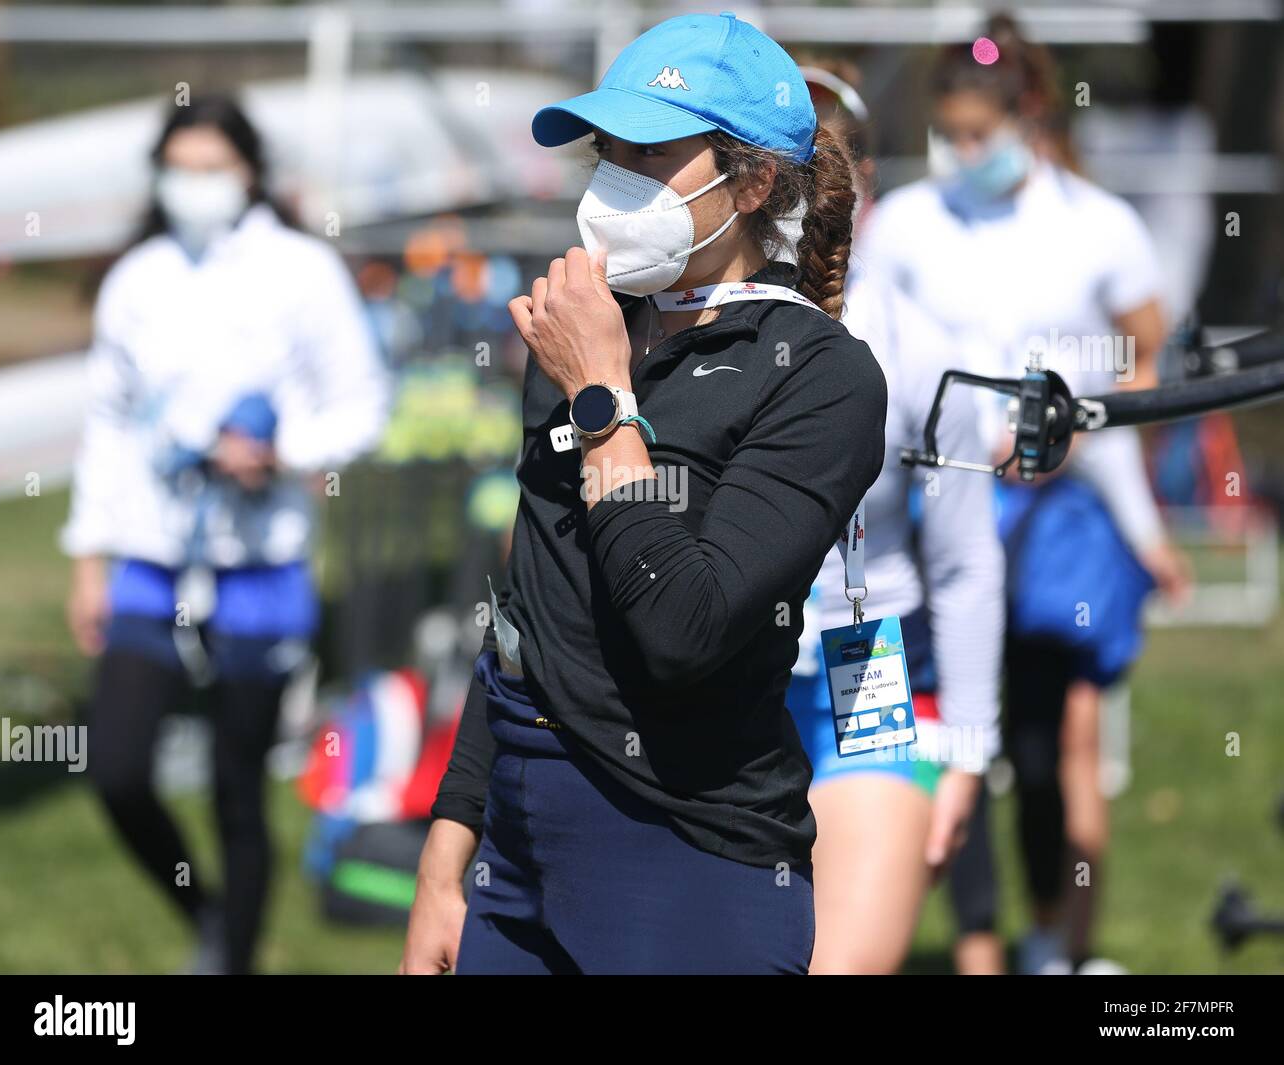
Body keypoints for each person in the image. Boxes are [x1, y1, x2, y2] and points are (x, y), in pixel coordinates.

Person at [400, 12, 887, 975]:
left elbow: (683, 629)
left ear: (750, 183)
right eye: (605, 150)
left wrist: (604, 402)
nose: (613, 179)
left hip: (688, 858)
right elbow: (523, 619)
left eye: (650, 151)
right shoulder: (581, 332)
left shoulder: (819, 376)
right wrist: (443, 865)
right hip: (518, 854)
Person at [860, 14, 1191, 974]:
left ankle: (1060, 943)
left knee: (1052, 747)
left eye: (980, 133)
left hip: (1057, 519)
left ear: (1027, 114)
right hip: (938, 506)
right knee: (941, 722)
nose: (966, 153)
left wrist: (1071, 426)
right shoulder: (908, 227)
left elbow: (1143, 356)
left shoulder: (1098, 226)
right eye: (950, 133)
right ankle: (969, 942)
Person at [63, 95, 389, 974]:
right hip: (151, 562)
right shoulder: (139, 278)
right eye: (181, 169)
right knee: (119, 769)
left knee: (235, 788)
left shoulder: (301, 272)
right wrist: (88, 559)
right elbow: (108, 424)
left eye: (214, 168)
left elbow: (363, 404)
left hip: (261, 566)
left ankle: (233, 958)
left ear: (248, 172)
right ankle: (204, 914)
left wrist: (283, 452)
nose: (195, 187)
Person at [786, 64, 1006, 975]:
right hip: (715, 683)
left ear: (861, 185)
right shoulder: (666, 331)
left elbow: (964, 564)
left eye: (823, 170)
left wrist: (967, 751)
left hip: (866, 671)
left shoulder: (922, 350)